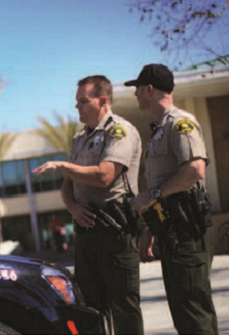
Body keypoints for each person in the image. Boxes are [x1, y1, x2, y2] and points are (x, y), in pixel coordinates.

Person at [33, 75, 144, 334]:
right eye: (76, 101)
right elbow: (67, 188)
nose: (77, 107)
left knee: (123, 306)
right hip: (87, 233)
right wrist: (72, 208)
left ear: (102, 101)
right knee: (90, 308)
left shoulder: (119, 131)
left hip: (115, 231)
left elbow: (105, 176)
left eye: (83, 101)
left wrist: (62, 165)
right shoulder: (79, 138)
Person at [127, 64, 218, 334]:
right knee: (183, 311)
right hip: (171, 230)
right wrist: (149, 230)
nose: (135, 95)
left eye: (137, 89)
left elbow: (194, 170)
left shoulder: (180, 123)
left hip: (187, 230)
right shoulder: (159, 130)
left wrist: (153, 195)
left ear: (149, 89)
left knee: (194, 312)